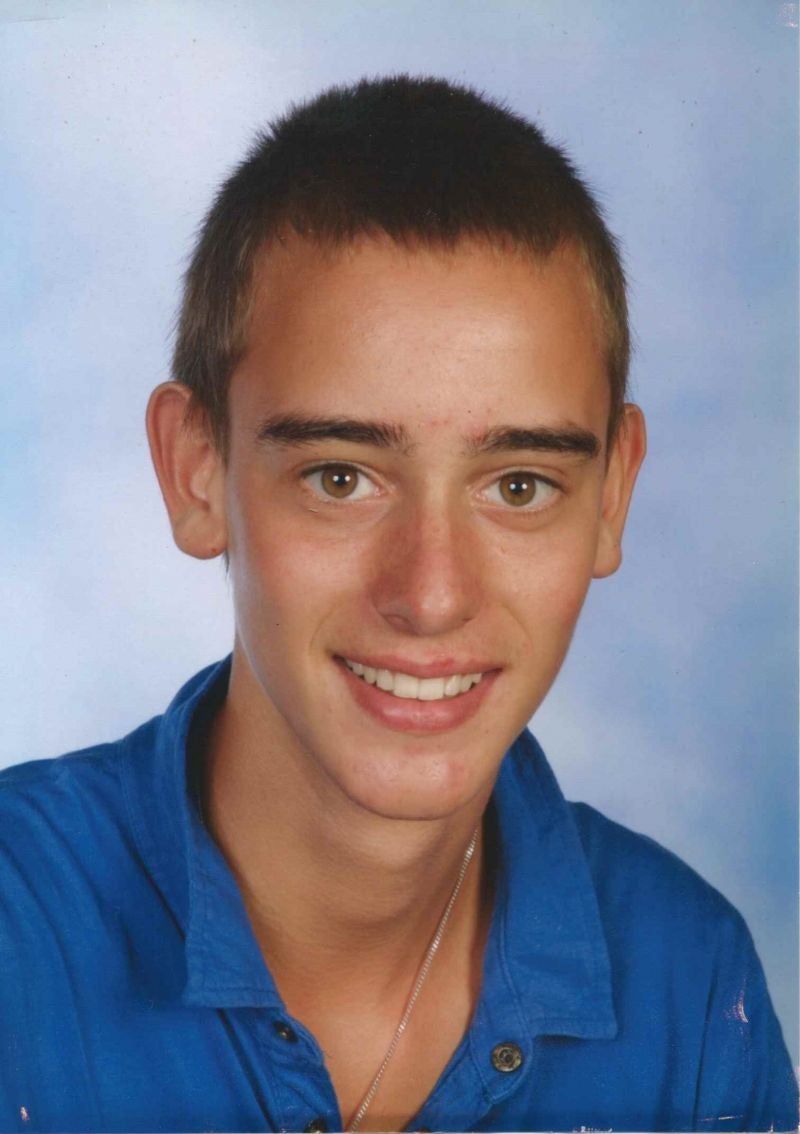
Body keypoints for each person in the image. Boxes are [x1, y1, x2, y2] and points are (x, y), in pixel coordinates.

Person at [0, 75, 795, 1134]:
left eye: (519, 486)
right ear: (197, 471)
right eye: (340, 478)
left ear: (612, 496)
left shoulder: (692, 988)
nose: (430, 595)